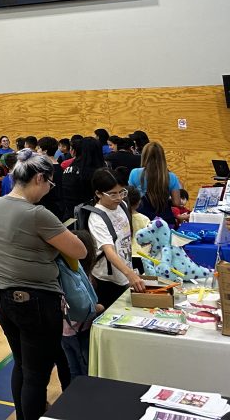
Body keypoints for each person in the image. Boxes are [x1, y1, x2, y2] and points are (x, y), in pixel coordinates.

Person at [0, 149, 87, 420]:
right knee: (36, 375)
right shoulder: (36, 214)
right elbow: (79, 251)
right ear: (39, 178)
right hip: (33, 301)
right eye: (50, 184)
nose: (50, 190)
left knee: (22, 364)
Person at [87, 169, 146, 309]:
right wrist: (130, 274)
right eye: (112, 194)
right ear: (98, 193)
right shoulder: (97, 218)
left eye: (122, 192)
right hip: (107, 280)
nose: (119, 197)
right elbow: (109, 251)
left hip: (125, 272)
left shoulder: (123, 205)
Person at [60, 229, 101, 379]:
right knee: (85, 370)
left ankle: (71, 397)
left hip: (65, 333)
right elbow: (83, 306)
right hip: (80, 331)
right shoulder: (80, 277)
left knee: (73, 369)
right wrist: (99, 308)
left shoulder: (63, 271)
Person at [128, 142, 182, 223]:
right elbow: (177, 203)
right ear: (162, 157)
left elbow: (130, 198)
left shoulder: (134, 173)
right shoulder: (171, 176)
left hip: (142, 219)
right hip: (165, 220)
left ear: (144, 155)